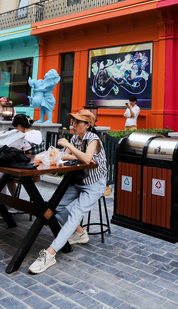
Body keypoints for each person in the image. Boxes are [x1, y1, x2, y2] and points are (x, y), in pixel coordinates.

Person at [28, 110, 107, 275]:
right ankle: (79, 232)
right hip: (78, 180)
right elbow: (66, 157)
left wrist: (76, 152)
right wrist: (74, 155)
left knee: (76, 213)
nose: (74, 125)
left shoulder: (93, 139)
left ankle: (50, 253)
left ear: (87, 125)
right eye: (73, 121)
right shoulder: (74, 138)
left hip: (94, 184)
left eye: (78, 122)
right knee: (54, 206)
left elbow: (86, 159)